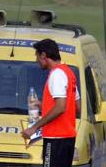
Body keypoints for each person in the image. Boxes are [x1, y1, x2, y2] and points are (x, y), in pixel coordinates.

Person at [20, 39, 78, 167]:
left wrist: (34, 127)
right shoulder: (69, 73)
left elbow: (61, 107)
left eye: (37, 56)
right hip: (68, 136)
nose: (36, 60)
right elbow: (75, 105)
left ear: (44, 55)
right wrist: (43, 105)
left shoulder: (56, 75)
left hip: (55, 137)